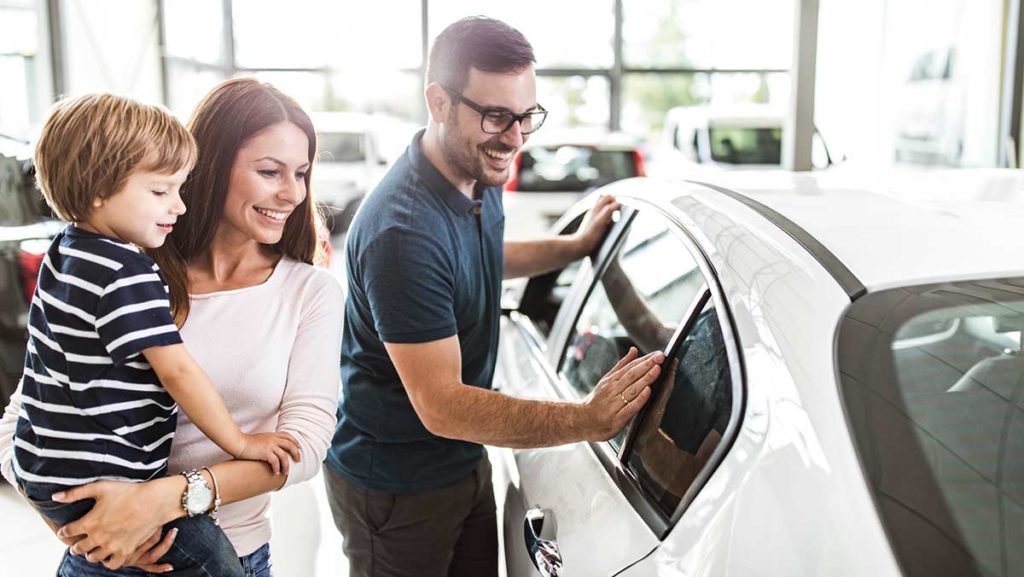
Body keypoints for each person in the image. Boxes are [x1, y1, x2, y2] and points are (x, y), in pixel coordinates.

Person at [324, 16, 665, 577]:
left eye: (526, 115)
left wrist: (574, 246)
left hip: (461, 459)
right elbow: (443, 406)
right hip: (395, 487)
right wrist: (587, 418)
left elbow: (482, 256)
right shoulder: (402, 232)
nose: (514, 138)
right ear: (438, 102)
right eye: (495, 116)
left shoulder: (476, 172)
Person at [0, 77, 344, 576]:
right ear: (209, 168)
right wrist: (74, 521)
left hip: (227, 550)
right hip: (105, 555)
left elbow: (304, 449)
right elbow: (24, 413)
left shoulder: (308, 291)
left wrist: (166, 500)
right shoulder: (129, 267)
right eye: (270, 171)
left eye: (302, 173)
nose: (292, 193)